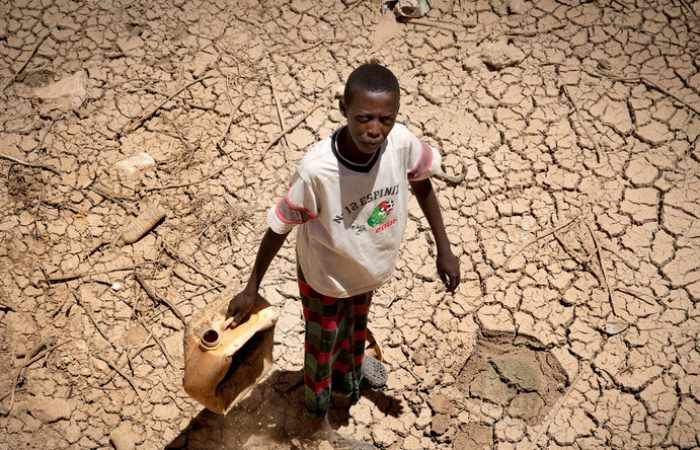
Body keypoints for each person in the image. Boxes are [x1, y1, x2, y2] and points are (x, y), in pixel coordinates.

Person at [226, 63, 460, 447]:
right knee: (322, 347)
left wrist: (445, 249)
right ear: (343, 110)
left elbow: (422, 185)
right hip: (325, 280)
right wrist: (252, 286)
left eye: (386, 118)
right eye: (363, 117)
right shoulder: (318, 171)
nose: (374, 129)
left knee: (355, 330)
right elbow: (279, 226)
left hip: (366, 273)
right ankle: (316, 422)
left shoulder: (400, 143)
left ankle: (347, 384)